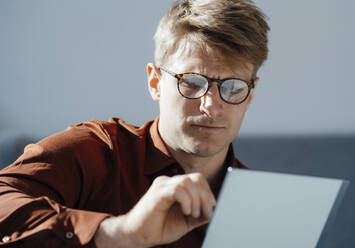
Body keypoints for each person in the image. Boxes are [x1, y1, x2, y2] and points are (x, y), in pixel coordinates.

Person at [0, 0, 269, 247]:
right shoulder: (94, 151)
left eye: (233, 87)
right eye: (192, 81)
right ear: (155, 83)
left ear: (251, 94)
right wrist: (119, 234)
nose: (210, 106)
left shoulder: (264, 208)